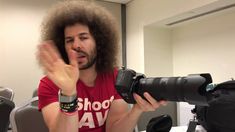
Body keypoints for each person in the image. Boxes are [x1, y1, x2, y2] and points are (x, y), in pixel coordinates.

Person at [37, 1, 166, 132]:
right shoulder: (50, 84)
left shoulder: (116, 79)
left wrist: (137, 109)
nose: (76, 45)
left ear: (98, 41)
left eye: (83, 37)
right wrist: (68, 93)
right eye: (69, 40)